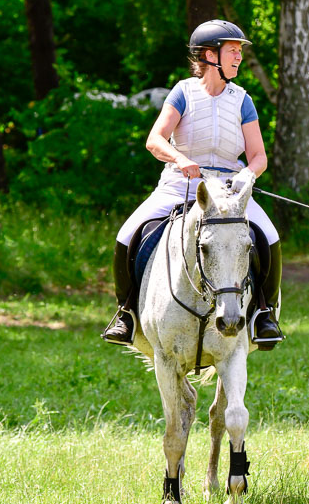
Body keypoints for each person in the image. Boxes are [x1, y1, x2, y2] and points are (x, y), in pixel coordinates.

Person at [103, 19, 283, 349]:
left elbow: (258, 156)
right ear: (209, 55)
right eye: (233, 51)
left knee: (268, 236)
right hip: (179, 185)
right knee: (127, 234)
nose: (239, 57)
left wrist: (247, 175)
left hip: (229, 191)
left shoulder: (242, 99)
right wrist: (180, 159)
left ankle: (264, 314)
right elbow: (155, 139)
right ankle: (126, 313)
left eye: (239, 51)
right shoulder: (183, 92)